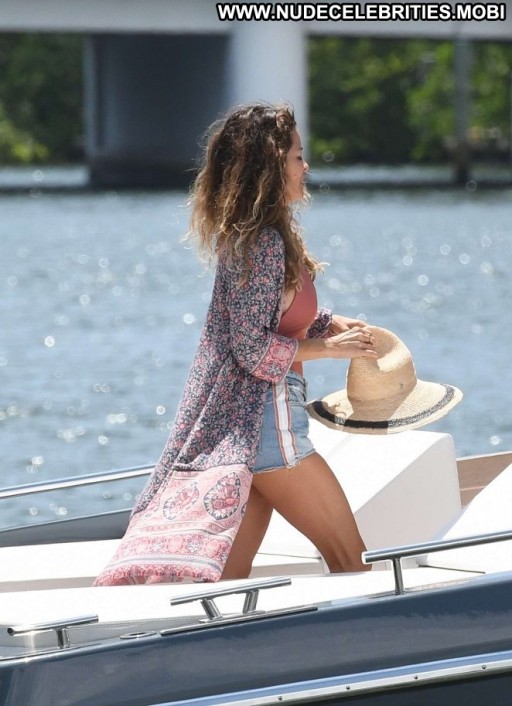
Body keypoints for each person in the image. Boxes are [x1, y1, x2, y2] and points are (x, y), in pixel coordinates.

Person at [95, 103, 378, 586]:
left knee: (224, 584)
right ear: (270, 166)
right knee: (354, 563)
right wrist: (335, 350)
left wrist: (329, 325)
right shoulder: (264, 243)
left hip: (249, 432)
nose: (305, 167)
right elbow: (252, 350)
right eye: (296, 157)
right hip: (270, 426)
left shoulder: (253, 238)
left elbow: (267, 319)